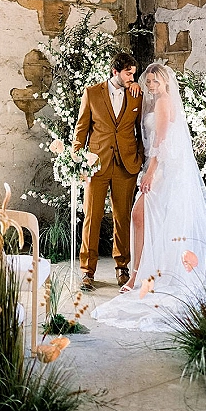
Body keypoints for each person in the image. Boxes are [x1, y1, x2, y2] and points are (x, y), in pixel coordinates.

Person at [91, 63, 206, 331]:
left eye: (155, 81)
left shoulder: (164, 103)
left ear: (165, 82)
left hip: (164, 167)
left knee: (138, 215)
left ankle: (138, 276)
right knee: (148, 219)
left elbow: (162, 143)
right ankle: (143, 274)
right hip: (157, 165)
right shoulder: (153, 101)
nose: (151, 85)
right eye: (148, 81)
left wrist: (150, 173)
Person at [73, 51, 144, 292]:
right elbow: (81, 129)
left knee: (122, 218)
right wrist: (78, 159)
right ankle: (87, 271)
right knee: (92, 217)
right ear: (115, 71)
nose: (132, 77)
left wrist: (141, 157)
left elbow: (141, 129)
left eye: (133, 73)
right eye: (128, 73)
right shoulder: (92, 93)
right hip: (96, 164)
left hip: (126, 165)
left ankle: (122, 267)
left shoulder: (136, 95)